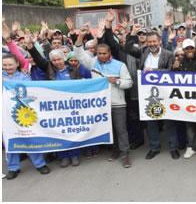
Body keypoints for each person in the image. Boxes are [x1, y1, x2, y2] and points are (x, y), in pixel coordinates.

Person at [26, 34, 92, 168]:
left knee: (72, 131)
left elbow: (80, 87)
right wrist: (30, 47)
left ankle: (74, 155)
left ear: (64, 58)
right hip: (56, 108)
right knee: (59, 131)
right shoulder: (48, 68)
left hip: (71, 106)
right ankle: (63, 156)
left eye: (59, 59)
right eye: (54, 60)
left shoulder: (74, 70)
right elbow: (38, 59)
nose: (57, 62)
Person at [74, 26, 133, 168]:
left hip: (118, 103)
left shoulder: (120, 65)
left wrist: (117, 81)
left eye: (104, 53)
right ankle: (115, 150)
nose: (101, 56)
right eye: (99, 53)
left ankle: (125, 154)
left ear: (109, 53)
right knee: (109, 129)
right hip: (101, 104)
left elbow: (129, 83)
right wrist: (80, 37)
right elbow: (79, 53)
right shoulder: (93, 62)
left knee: (121, 130)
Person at [124, 25, 180, 160]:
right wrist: (132, 34)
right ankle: (154, 147)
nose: (152, 44)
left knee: (169, 121)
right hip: (148, 94)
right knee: (151, 122)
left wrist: (154, 72)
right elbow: (128, 48)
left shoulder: (168, 54)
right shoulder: (143, 52)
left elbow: (171, 72)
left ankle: (173, 147)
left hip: (165, 94)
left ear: (159, 41)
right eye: (149, 42)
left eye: (154, 41)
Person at [2, 53, 51, 180]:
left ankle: (40, 164)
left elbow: (30, 92)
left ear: (17, 64)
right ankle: (13, 168)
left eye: (10, 64)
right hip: (5, 115)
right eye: (4, 65)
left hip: (23, 113)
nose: (7, 67)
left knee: (29, 138)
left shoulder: (24, 77)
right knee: (10, 141)